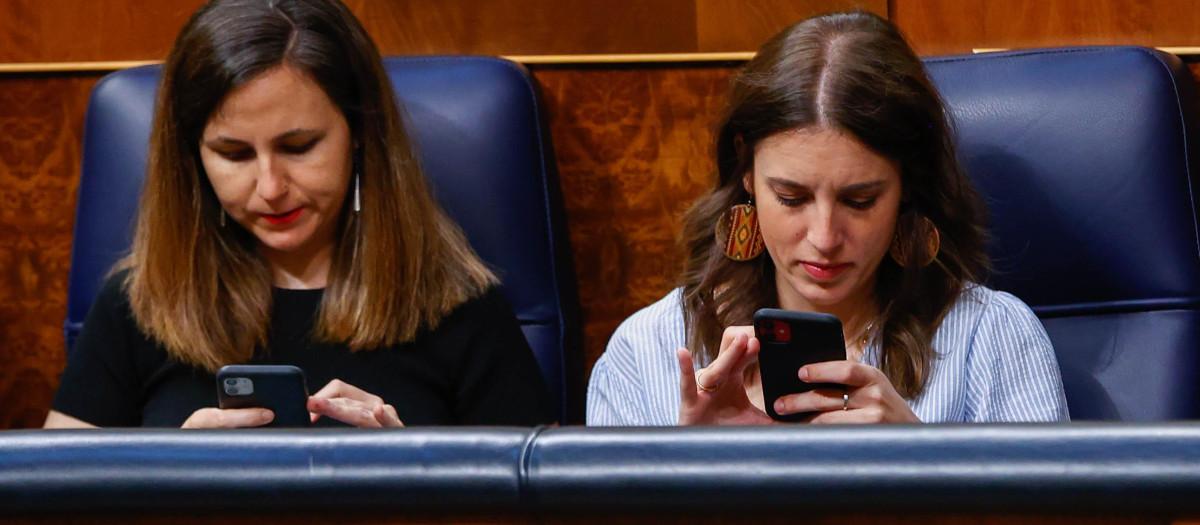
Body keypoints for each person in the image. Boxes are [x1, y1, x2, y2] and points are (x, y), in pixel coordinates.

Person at [45, 0, 554, 428]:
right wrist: (170, 472)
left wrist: (411, 473)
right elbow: (53, 503)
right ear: (192, 161)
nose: (270, 188)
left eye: (299, 146)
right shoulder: (139, 303)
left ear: (360, 137)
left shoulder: (459, 305)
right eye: (234, 154)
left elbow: (541, 508)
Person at [586, 12, 1068, 426]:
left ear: (907, 185)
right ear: (747, 173)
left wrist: (923, 460)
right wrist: (694, 475)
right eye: (791, 198)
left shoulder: (992, 339)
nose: (824, 238)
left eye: (859, 201)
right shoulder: (647, 350)